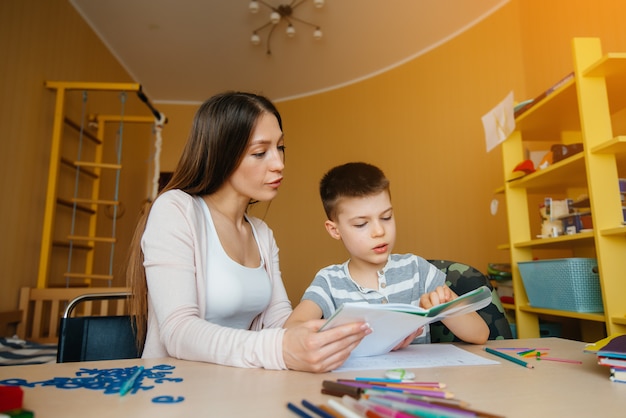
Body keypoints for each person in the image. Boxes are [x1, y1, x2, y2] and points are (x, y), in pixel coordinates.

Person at [126, 92, 371, 372]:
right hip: (172, 391)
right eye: (259, 152)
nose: (278, 163)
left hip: (240, 388)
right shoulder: (175, 210)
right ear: (222, 155)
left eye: (280, 147)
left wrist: (356, 335)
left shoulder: (261, 234)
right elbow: (178, 332)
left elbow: (281, 323)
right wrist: (279, 349)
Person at [284, 162, 489, 348]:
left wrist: (445, 305)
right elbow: (291, 328)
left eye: (386, 217)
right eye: (361, 224)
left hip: (418, 383)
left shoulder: (417, 270)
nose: (379, 231)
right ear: (334, 230)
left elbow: (480, 335)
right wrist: (344, 333)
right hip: (356, 383)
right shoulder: (329, 282)